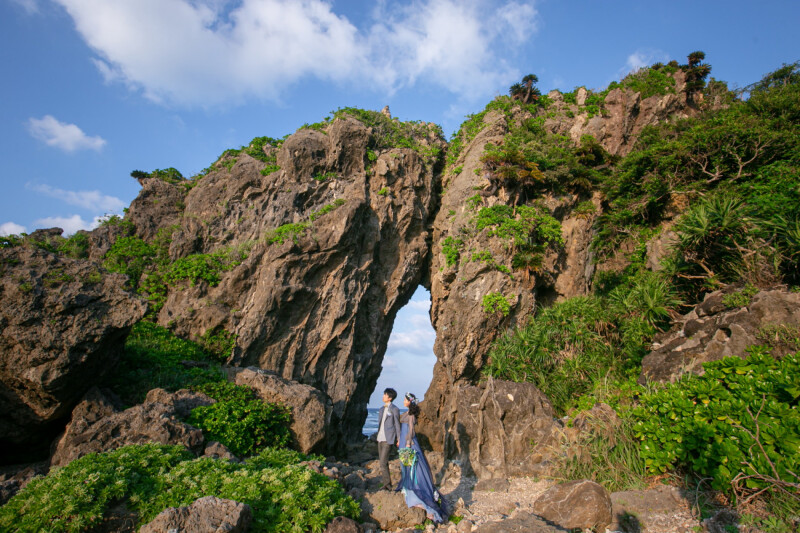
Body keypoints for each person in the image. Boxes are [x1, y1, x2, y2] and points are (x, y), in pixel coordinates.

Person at [395, 392, 448, 523]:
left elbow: (411, 431)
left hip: (409, 443)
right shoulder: (407, 413)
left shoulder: (411, 415)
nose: (403, 401)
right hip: (403, 441)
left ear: (410, 402)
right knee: (407, 466)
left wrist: (408, 444)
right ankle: (408, 490)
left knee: (414, 467)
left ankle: (417, 494)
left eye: (405, 399)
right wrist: (400, 440)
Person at [376, 387, 401, 490]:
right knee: (383, 462)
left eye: (385, 395)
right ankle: (387, 484)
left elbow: (397, 424)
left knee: (382, 462)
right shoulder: (381, 409)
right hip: (380, 438)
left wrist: (399, 438)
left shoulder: (395, 409)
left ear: (390, 398)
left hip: (388, 439)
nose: (383, 396)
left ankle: (387, 485)